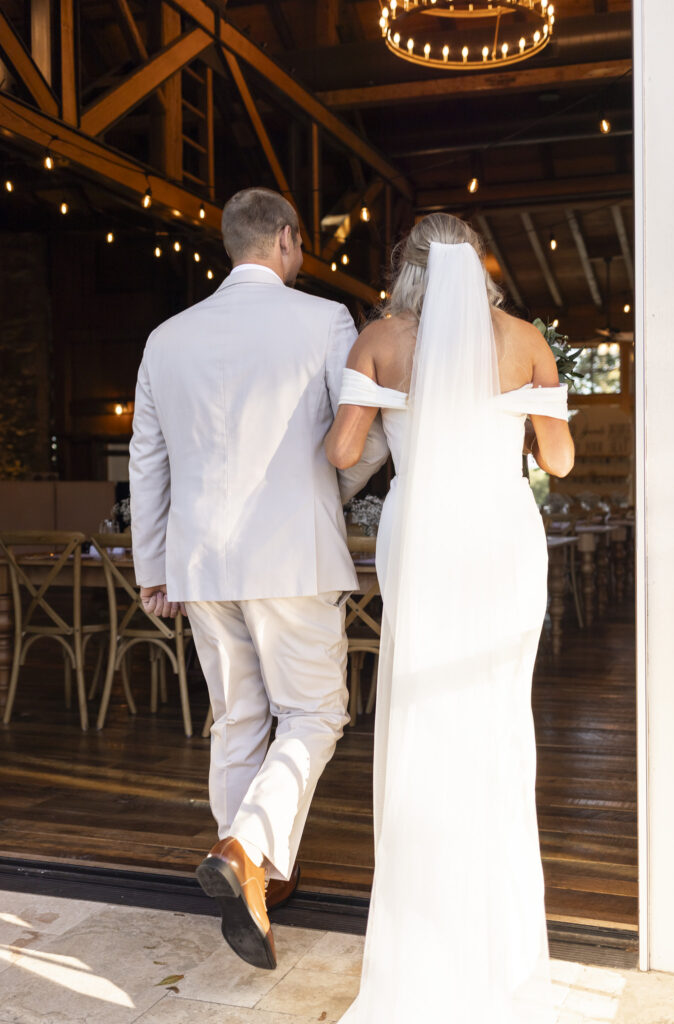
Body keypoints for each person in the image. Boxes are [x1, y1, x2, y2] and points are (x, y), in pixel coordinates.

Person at [128, 187, 388, 971]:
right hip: (292, 556)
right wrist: (327, 492)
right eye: (300, 244)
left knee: (236, 719)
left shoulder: (165, 338)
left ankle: (254, 880)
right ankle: (246, 852)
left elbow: (148, 459)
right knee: (314, 713)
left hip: (199, 561)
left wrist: (151, 567)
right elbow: (357, 442)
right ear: (284, 240)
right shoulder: (324, 322)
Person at [325, 213, 574, 1023]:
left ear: (409, 266)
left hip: (423, 535)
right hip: (502, 537)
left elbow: (340, 454)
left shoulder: (381, 337)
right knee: (496, 720)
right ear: (482, 267)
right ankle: (497, 949)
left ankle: (419, 944)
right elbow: (561, 460)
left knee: (423, 714)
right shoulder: (524, 338)